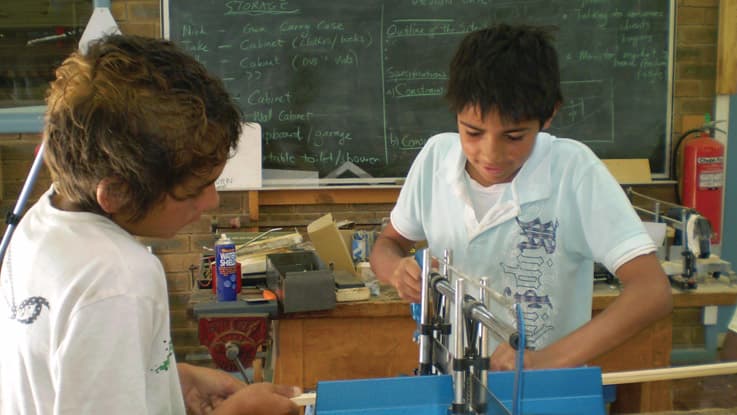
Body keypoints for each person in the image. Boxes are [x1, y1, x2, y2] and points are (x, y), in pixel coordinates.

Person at [0, 35, 299, 414]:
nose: (212, 202)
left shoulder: (41, 223)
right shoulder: (121, 279)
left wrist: (170, 379)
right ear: (118, 193)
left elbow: (67, 373)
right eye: (194, 190)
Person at [369, 24, 673, 371]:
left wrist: (545, 362)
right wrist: (395, 269)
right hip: (451, 382)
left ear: (549, 115)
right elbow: (386, 245)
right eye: (473, 132)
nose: (490, 154)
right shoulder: (436, 158)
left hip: (543, 392)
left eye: (513, 136)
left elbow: (651, 291)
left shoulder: (574, 172)